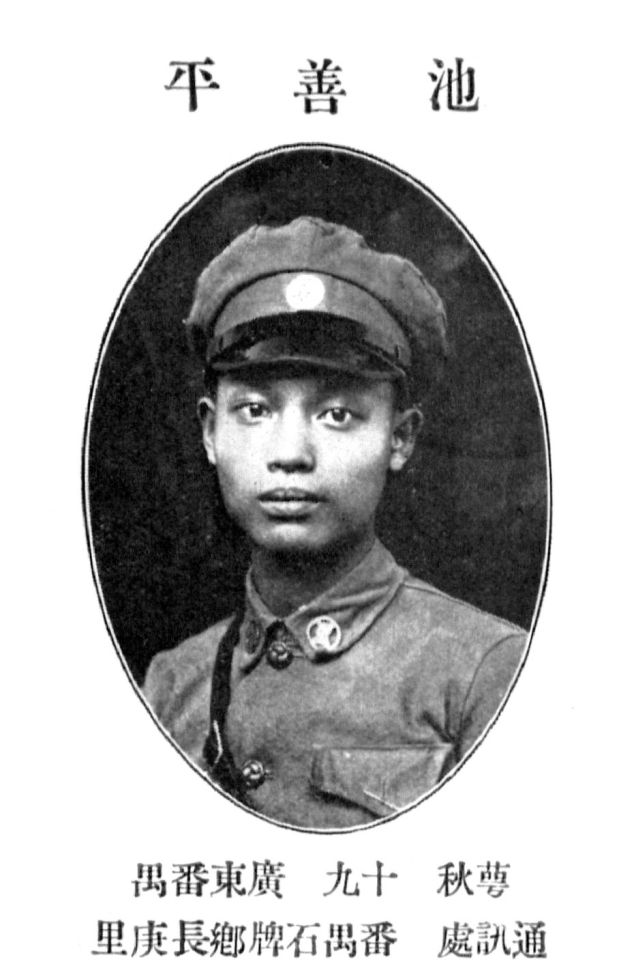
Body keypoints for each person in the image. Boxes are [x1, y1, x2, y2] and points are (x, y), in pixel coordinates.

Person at [143, 216, 527, 830]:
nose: (290, 453)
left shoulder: (485, 673)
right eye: (255, 410)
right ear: (210, 432)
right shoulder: (171, 685)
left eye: (338, 414)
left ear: (400, 438)